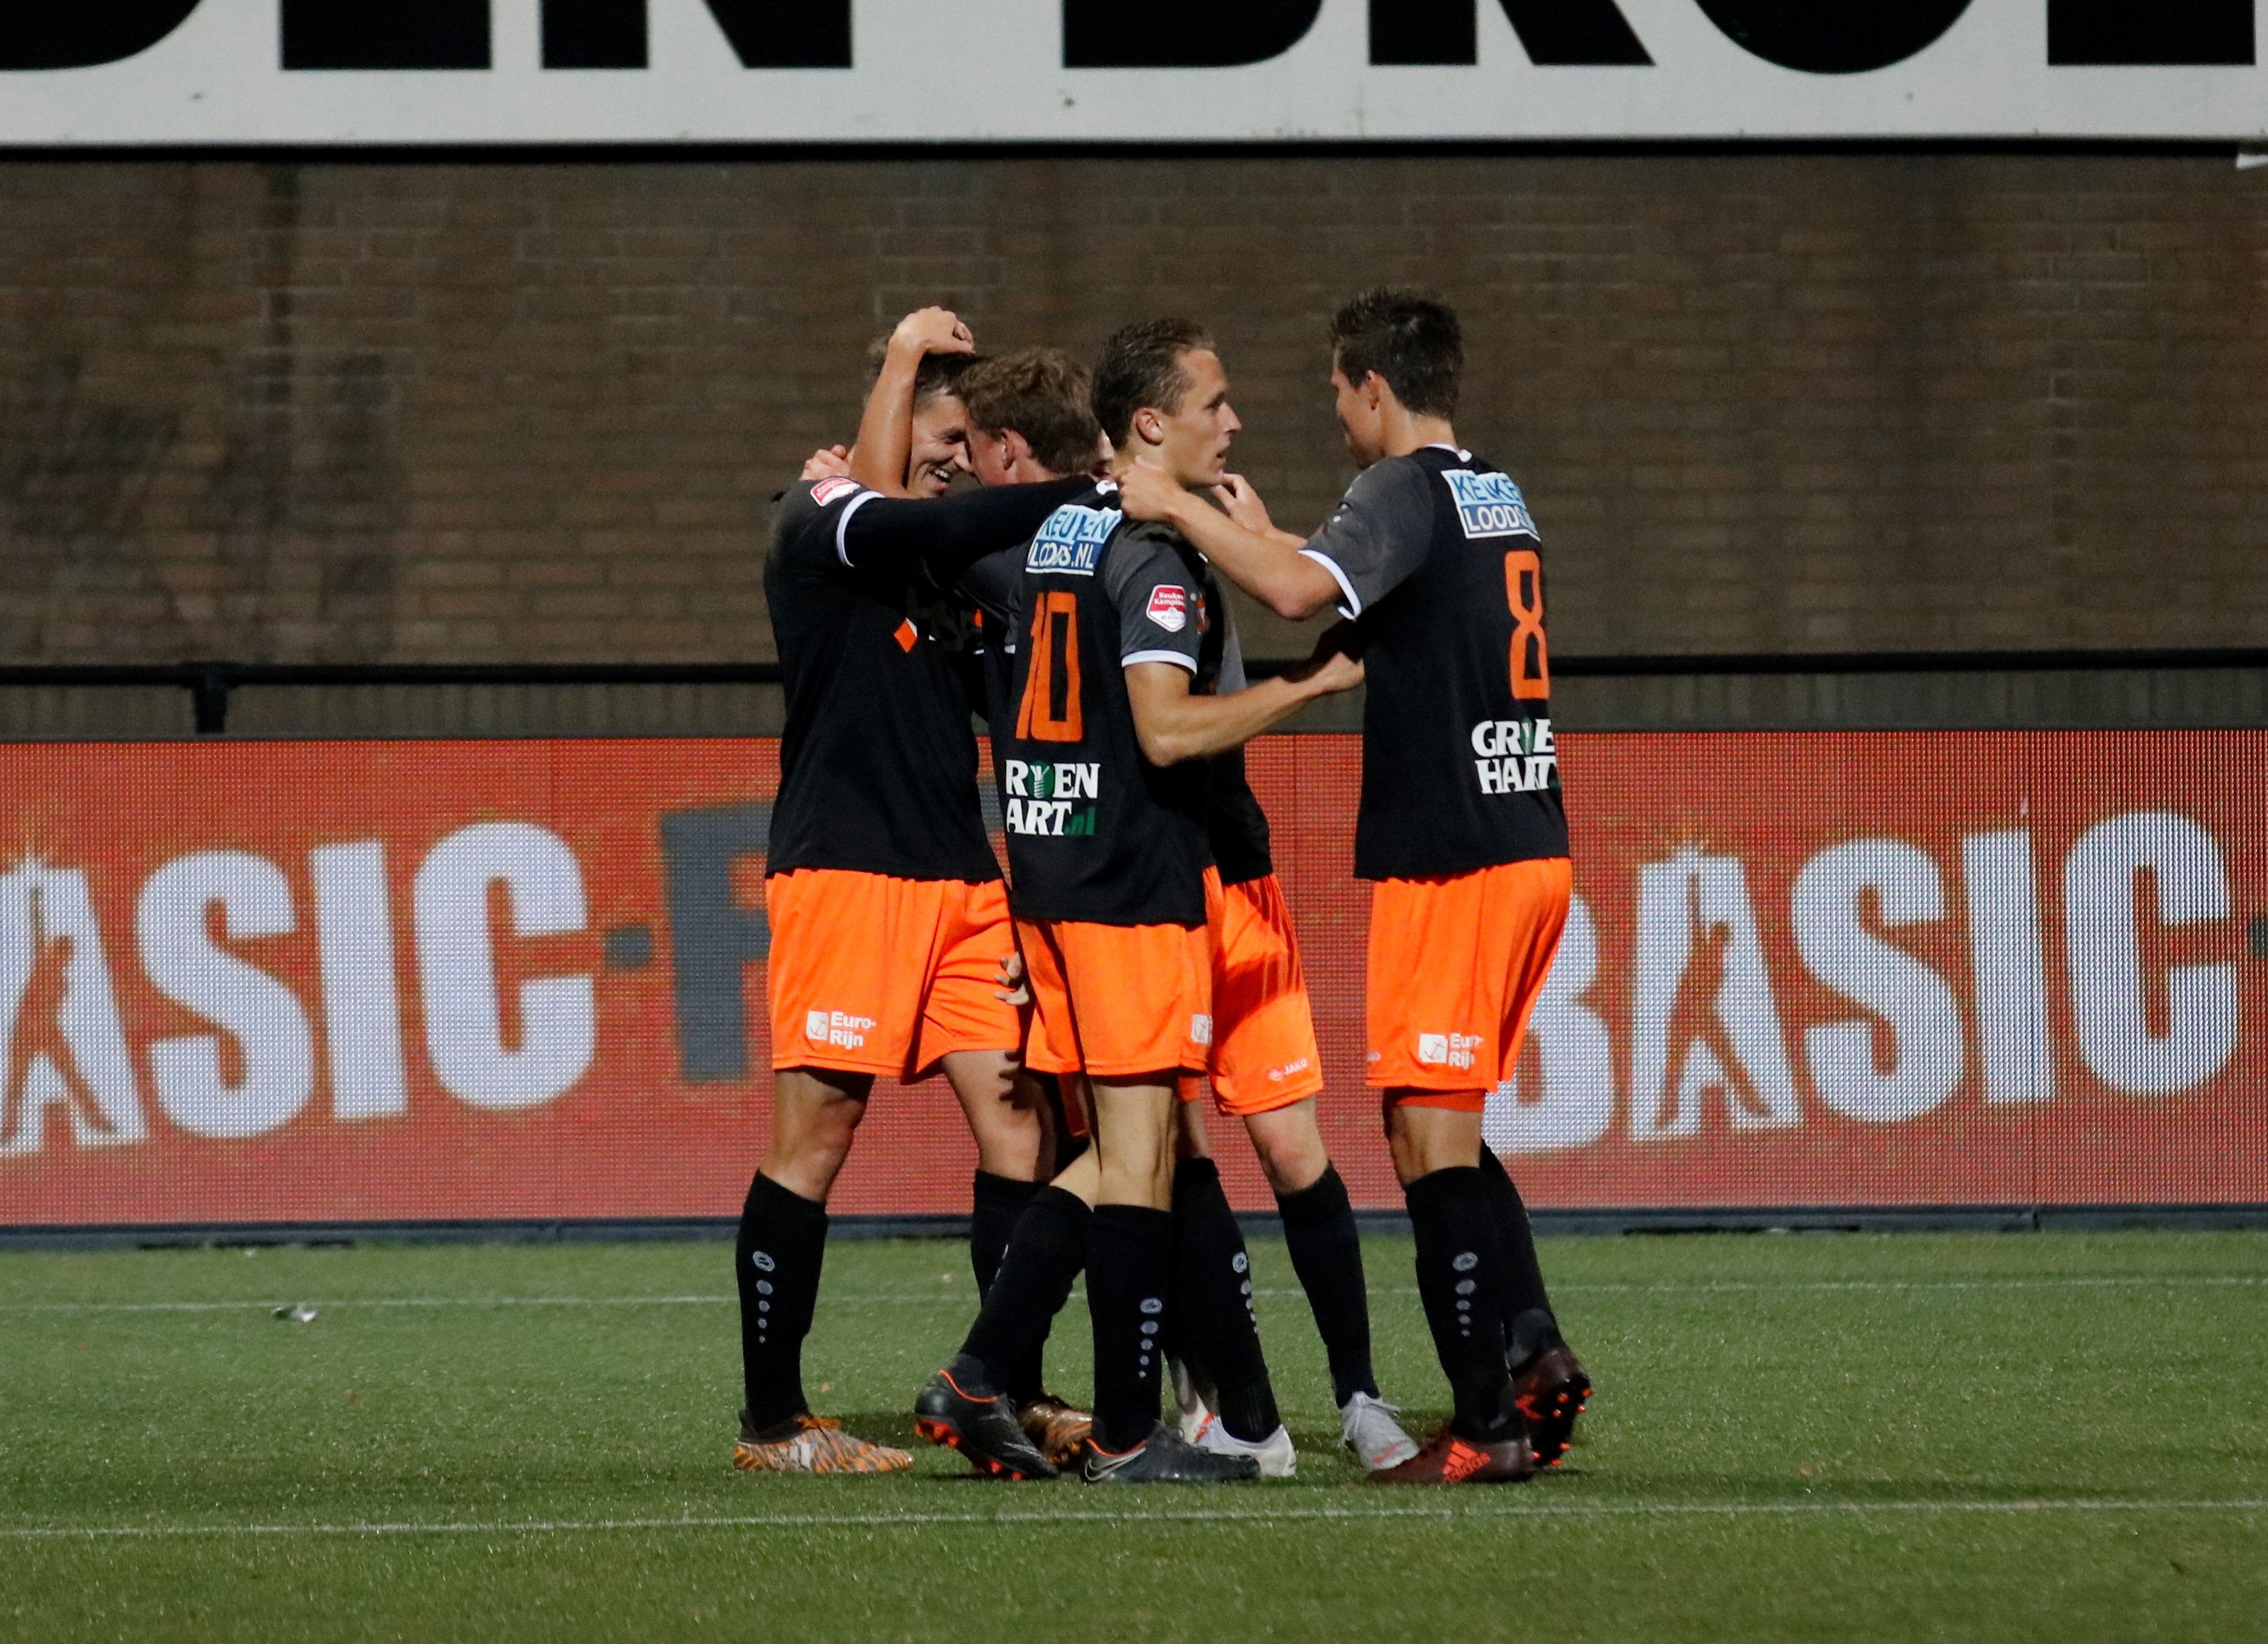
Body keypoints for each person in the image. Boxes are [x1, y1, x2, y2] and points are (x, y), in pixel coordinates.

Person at [1113, 287, 1593, 1484]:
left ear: (1374, 387)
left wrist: (1169, 502)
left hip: (1458, 854)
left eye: (1337, 390)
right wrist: (1276, 538)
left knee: (1429, 1139)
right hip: (1531, 833)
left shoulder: (1396, 490)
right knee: (1443, 1122)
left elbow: (1291, 597)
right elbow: (1329, 580)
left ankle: (1482, 1428)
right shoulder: (1496, 490)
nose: (1332, 412)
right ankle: (1532, 1348)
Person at [917, 319, 1363, 1484]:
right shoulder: (1151, 554)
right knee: (1137, 1158)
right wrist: (1305, 686)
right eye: (1214, 402)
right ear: (1150, 425)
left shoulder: (1053, 529)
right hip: (1128, 884)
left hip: (1052, 873)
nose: (1236, 421)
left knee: (1134, 1150)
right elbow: (1166, 729)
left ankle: (992, 1374)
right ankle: (1114, 1432)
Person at [732, 309, 1091, 1474]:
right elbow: (978, 507)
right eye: (944, 430)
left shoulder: (941, 560)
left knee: (1019, 1124)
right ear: (889, 420)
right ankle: (776, 1423)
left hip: (962, 882)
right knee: (819, 1134)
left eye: (971, 436)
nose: (960, 454)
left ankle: (1007, 1390)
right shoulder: (825, 517)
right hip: (847, 874)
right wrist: (1094, 486)